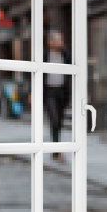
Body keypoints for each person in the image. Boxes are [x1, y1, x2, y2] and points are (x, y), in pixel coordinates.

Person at [43, 29, 71, 162]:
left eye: (61, 39)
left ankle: (56, 149)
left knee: (59, 122)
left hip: (62, 92)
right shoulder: (43, 56)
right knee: (54, 120)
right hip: (49, 92)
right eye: (57, 39)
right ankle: (57, 151)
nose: (60, 42)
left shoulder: (65, 55)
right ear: (50, 42)